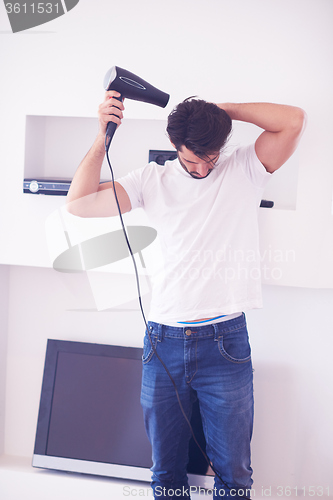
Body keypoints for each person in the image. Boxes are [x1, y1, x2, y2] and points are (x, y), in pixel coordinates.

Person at [66, 91, 306, 499]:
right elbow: (80, 202)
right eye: (191, 158)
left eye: (209, 156)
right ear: (175, 147)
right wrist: (103, 136)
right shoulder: (149, 180)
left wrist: (220, 112)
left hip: (225, 343)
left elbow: (294, 120)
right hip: (163, 344)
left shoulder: (244, 168)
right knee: (166, 472)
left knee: (233, 474)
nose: (202, 167)